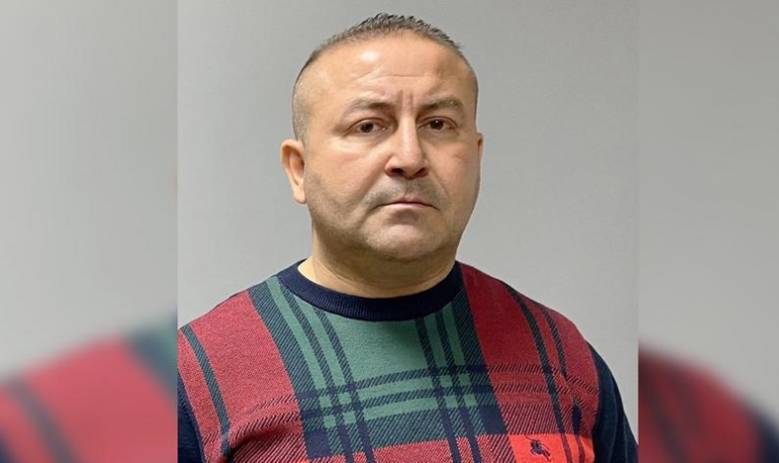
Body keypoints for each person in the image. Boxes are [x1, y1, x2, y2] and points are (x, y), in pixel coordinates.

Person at [178, 13, 636, 463]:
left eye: (438, 124)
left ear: (476, 157)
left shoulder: (562, 355)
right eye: (368, 126)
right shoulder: (196, 377)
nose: (410, 157)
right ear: (299, 169)